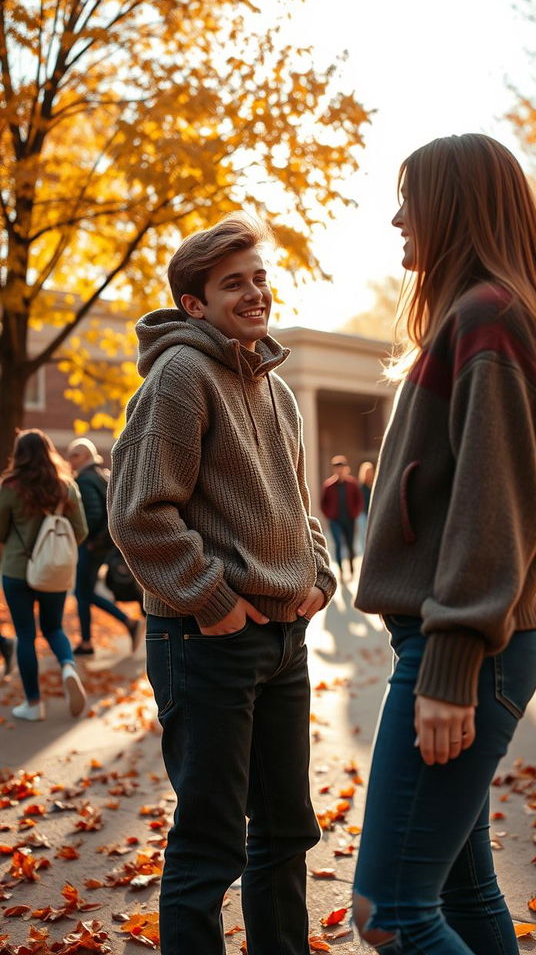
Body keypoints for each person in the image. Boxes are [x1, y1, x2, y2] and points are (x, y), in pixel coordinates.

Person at [352, 133, 536, 955]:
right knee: (459, 887)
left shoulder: (490, 317)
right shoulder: (476, 315)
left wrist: (449, 663)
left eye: (409, 200)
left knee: (389, 915)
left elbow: (495, 508)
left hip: (466, 651)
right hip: (465, 643)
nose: (396, 219)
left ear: (454, 206)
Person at [108, 212, 336, 955]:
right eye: (233, 283)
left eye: (260, 277)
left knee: (284, 832)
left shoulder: (277, 389)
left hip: (283, 640)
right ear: (194, 304)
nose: (255, 292)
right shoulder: (180, 377)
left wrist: (319, 575)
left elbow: (299, 507)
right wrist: (212, 601)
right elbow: (138, 513)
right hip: (206, 641)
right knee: (211, 845)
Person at [0, 429, 88, 720]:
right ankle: (67, 666)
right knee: (54, 628)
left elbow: (0, 531)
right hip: (54, 571)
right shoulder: (66, 486)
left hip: (17, 570)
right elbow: (81, 530)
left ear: (20, 454)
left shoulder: (10, 486)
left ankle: (34, 705)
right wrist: (54, 550)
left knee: (25, 634)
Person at [67, 438, 143, 655]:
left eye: (75, 455)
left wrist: (86, 540)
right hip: (103, 545)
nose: (70, 460)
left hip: (92, 546)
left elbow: (93, 514)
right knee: (84, 592)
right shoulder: (102, 476)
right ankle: (91, 639)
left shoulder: (85, 480)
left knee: (82, 593)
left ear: (87, 456)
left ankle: (94, 639)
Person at [320, 455, 364, 580]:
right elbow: (323, 504)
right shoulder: (328, 485)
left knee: (350, 545)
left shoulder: (352, 484)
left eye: (341, 467)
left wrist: (355, 513)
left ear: (346, 468)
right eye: (337, 468)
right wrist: (329, 515)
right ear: (334, 470)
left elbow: (359, 501)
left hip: (349, 520)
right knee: (338, 544)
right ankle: (340, 571)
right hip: (335, 521)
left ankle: (351, 568)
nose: (339, 470)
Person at [357, 460, 376, 553]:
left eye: (371, 471)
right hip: (362, 514)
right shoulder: (360, 487)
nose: (369, 474)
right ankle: (365, 553)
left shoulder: (375, 486)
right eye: (367, 472)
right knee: (363, 535)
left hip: (373, 513)